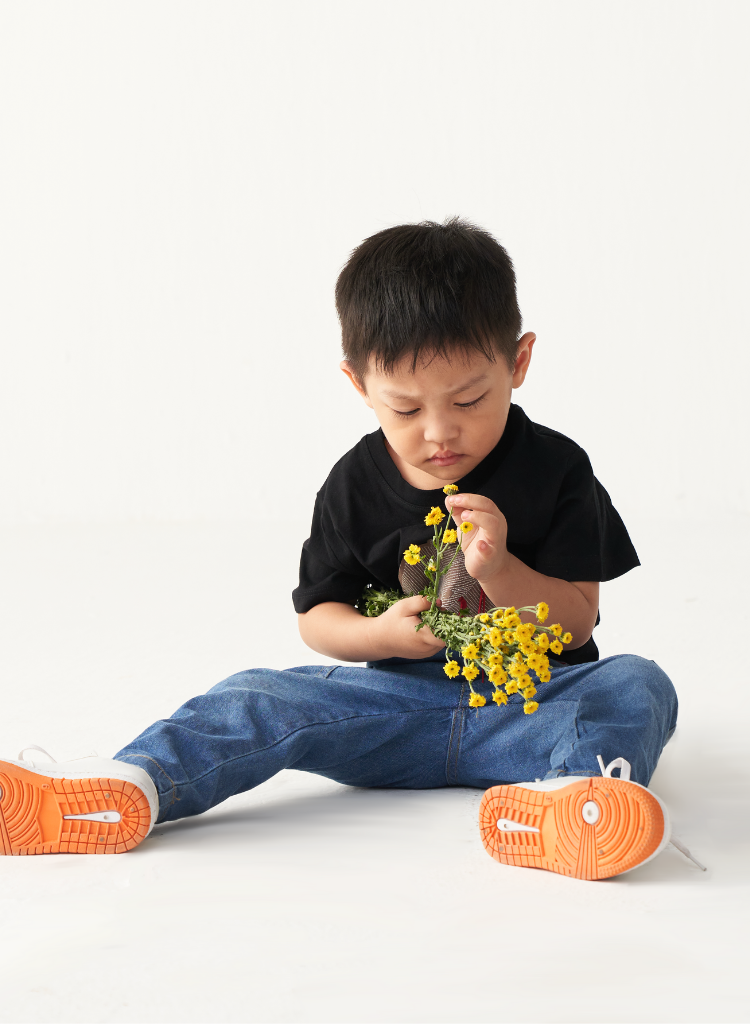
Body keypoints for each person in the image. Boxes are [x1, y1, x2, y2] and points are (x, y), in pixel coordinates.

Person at [0, 219, 692, 879]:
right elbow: (316, 619)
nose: (440, 433)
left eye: (472, 399)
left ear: (519, 362)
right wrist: (377, 634)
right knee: (257, 695)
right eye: (407, 409)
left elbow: (577, 621)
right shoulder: (353, 485)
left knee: (637, 684)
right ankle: (128, 784)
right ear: (359, 385)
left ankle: (575, 804)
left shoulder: (556, 468)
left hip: (528, 712)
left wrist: (502, 571)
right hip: (389, 710)